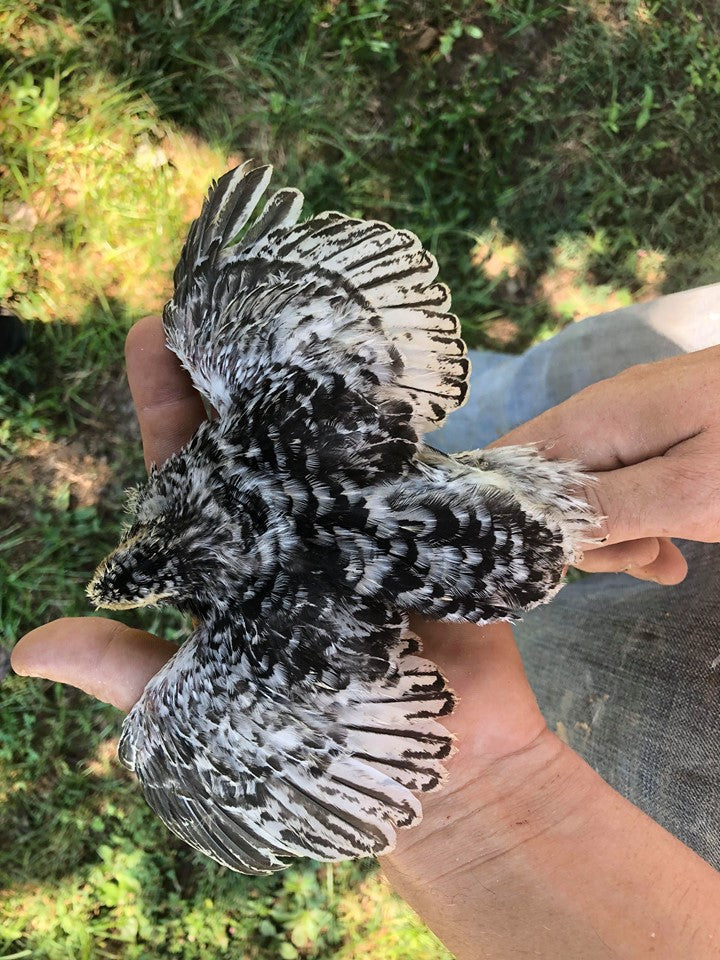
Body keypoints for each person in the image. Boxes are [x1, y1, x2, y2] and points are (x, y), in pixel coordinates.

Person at [12, 286, 720, 959]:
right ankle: (493, 436)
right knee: (554, 401)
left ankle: (491, 445)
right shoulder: (243, 466)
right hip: (505, 493)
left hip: (632, 736)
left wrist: (483, 799)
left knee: (541, 417)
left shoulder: (244, 607)